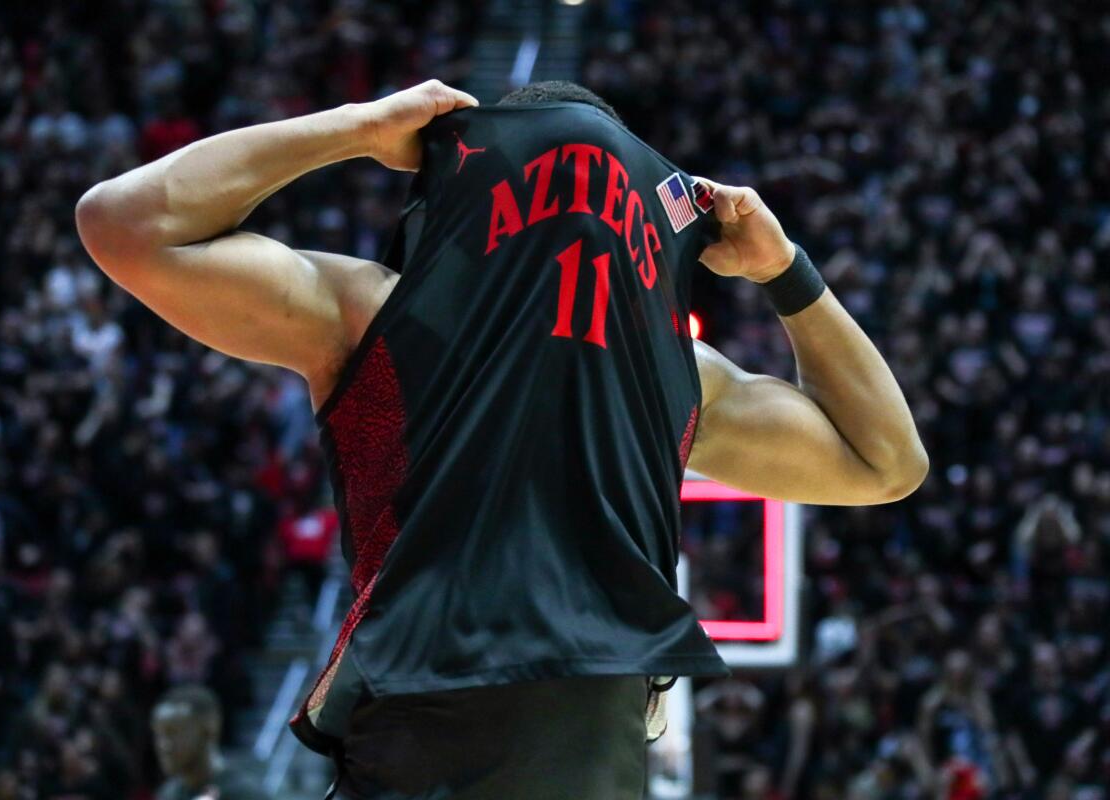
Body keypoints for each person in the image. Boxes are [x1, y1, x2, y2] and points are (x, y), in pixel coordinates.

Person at [76, 78, 927, 799]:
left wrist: (358, 129)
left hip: (418, 701)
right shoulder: (678, 371)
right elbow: (888, 462)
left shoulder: (372, 309)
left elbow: (122, 225)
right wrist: (786, 271)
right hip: (589, 735)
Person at [151, 685, 263, 800]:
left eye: (174, 733)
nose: (164, 745)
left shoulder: (245, 794)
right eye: (159, 734)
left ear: (208, 730)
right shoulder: (168, 794)